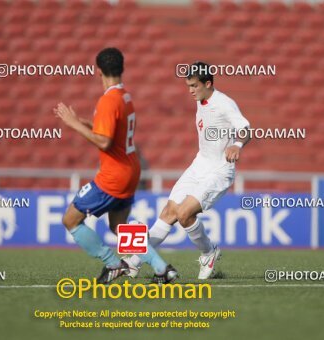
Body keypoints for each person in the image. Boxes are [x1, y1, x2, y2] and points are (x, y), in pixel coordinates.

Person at [54, 47, 177, 284]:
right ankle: (162, 268)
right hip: (131, 170)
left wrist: (72, 124)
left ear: (97, 70)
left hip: (114, 175)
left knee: (70, 220)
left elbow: (104, 140)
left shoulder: (108, 100)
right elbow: (111, 131)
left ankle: (112, 263)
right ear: (122, 68)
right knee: (118, 227)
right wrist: (85, 122)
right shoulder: (125, 97)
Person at [124, 61, 251, 279]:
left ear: (208, 83)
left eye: (194, 86)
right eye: (188, 86)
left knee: (184, 214)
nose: (190, 91)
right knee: (168, 213)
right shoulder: (202, 100)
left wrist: (237, 145)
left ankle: (209, 252)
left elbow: (245, 128)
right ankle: (135, 260)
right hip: (199, 164)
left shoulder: (224, 103)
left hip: (219, 170)